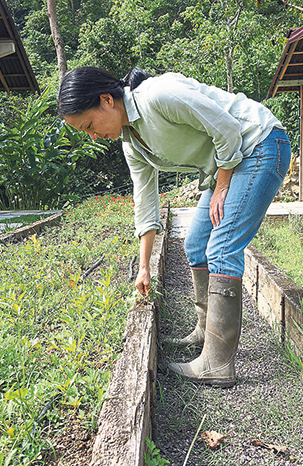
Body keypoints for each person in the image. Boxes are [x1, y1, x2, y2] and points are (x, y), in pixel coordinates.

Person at [58, 66, 291, 387]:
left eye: (89, 125)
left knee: (222, 249)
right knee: (196, 245)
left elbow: (226, 128)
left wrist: (222, 186)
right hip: (228, 162)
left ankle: (217, 364)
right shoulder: (132, 143)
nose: (94, 136)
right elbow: (146, 202)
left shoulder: (157, 95)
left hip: (259, 144)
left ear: (106, 101)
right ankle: (204, 330)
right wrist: (143, 267)